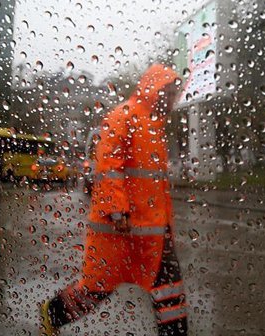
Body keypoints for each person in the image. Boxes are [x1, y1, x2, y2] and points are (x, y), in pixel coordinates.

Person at [40, 64, 187, 336]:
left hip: (153, 232)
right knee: (97, 289)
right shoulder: (124, 116)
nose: (172, 100)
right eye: (169, 93)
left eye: (175, 94)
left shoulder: (156, 127)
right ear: (154, 90)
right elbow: (108, 165)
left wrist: (165, 224)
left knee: (169, 290)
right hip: (119, 228)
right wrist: (117, 211)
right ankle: (54, 313)